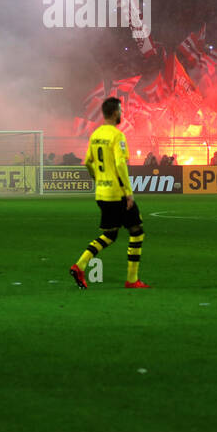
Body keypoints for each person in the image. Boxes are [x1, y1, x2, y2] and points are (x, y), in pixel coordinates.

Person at [69, 97, 148, 290]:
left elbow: (88, 162)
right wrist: (128, 193)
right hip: (117, 193)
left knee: (110, 235)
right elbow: (121, 164)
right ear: (114, 113)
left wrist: (97, 178)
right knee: (137, 231)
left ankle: (79, 265)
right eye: (120, 110)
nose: (122, 114)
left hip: (102, 192)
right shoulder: (117, 136)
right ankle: (132, 279)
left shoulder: (95, 135)